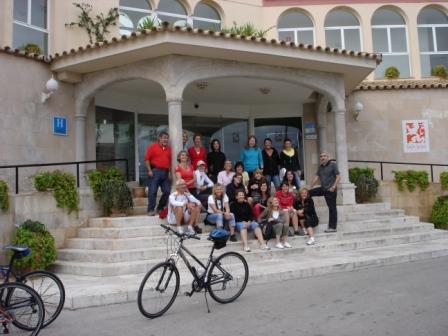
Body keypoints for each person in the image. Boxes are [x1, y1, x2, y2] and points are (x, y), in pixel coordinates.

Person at [309, 152, 340, 233]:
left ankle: (332, 227)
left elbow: (338, 177)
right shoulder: (321, 167)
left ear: (327, 157)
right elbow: (316, 178)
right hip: (323, 188)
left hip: (330, 190)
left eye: (324, 156)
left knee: (332, 208)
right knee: (308, 193)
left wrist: (334, 186)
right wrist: (309, 187)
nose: (322, 157)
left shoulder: (333, 164)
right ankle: (308, 212)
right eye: (321, 156)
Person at [144, 131, 171, 216]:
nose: (165, 140)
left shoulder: (169, 149)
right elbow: (147, 159)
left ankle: (160, 208)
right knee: (152, 191)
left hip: (165, 173)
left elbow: (170, 162)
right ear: (160, 138)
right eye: (164, 138)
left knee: (167, 191)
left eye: (167, 138)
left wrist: (170, 173)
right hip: (155, 171)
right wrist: (149, 170)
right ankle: (150, 210)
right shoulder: (152, 147)